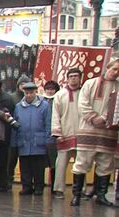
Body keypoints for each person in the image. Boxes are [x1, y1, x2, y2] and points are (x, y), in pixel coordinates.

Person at [70, 59, 119, 207]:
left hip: (108, 132)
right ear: (108, 68)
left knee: (105, 164)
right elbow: (82, 104)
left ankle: (101, 195)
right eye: (115, 69)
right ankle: (76, 195)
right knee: (82, 162)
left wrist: (110, 119)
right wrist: (94, 117)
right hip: (89, 130)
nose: (116, 72)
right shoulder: (90, 83)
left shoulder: (117, 87)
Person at [11, 82, 51, 195]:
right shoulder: (18, 107)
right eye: (27, 93)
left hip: (38, 140)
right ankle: (26, 186)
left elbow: (48, 123)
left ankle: (39, 187)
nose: (29, 95)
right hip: (23, 140)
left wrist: (48, 139)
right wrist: (14, 142)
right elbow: (15, 123)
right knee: (25, 166)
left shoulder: (44, 105)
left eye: (31, 93)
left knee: (38, 166)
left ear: (35, 92)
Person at [51, 70, 82, 200]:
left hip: (82, 134)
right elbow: (55, 115)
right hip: (65, 132)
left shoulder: (85, 93)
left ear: (80, 78)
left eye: (76, 76)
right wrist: (57, 133)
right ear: (67, 78)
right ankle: (58, 189)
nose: (73, 79)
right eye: (71, 76)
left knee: (81, 164)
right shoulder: (60, 94)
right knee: (61, 163)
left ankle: (80, 189)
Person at [0, 79, 15, 192]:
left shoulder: (6, 99)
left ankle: (3, 182)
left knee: (2, 159)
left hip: (4, 133)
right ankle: (1, 181)